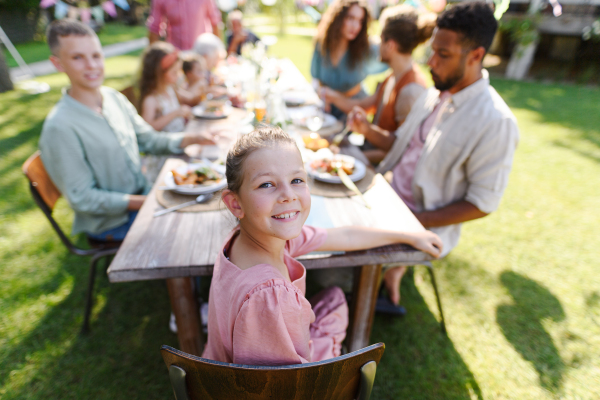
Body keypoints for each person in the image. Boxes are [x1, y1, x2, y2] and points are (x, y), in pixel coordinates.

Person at [201, 126, 443, 365]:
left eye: (297, 180)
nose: (288, 195)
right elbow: (280, 386)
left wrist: (408, 236)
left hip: (231, 365)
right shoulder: (269, 295)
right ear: (235, 204)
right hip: (273, 385)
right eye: (266, 184)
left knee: (335, 299)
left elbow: (345, 236)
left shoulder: (254, 238)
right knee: (335, 311)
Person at [376, 2, 520, 306]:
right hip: (385, 196)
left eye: (443, 55)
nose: (431, 62)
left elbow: (483, 203)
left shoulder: (496, 121)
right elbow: (401, 145)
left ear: (476, 56)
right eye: (432, 51)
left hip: (419, 223)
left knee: (333, 258)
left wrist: (416, 220)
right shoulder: (434, 94)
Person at [39, 19, 214, 241]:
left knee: (208, 204)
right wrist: (145, 202)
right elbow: (83, 198)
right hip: (112, 221)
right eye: (77, 58)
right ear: (58, 64)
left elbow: (148, 139)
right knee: (188, 228)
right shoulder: (59, 127)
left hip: (144, 193)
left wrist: (192, 138)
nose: (92, 65)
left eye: (96, 55)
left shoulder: (113, 98)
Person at [325, 5, 436, 165]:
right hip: (366, 152)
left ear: (390, 45)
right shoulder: (392, 77)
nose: (377, 43)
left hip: (381, 171)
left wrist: (351, 156)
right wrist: (333, 96)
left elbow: (401, 150)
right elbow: (362, 105)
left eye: (380, 38)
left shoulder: (411, 90)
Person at [310, 0, 387, 120]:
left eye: (360, 21)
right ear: (338, 17)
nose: (355, 26)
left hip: (354, 108)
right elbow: (316, 79)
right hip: (326, 108)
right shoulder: (322, 44)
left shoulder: (366, 48)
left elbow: (392, 54)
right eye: (350, 18)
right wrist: (323, 94)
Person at [139, 41, 205, 132]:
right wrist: (175, 113)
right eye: (174, 72)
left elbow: (191, 98)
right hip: (169, 144)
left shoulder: (170, 89)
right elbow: (147, 129)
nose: (178, 76)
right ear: (159, 74)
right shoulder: (151, 100)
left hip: (182, 136)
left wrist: (205, 90)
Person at [147, 0, 222, 50]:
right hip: (175, 53)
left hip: (201, 52)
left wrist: (218, 52)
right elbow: (154, 28)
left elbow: (215, 22)